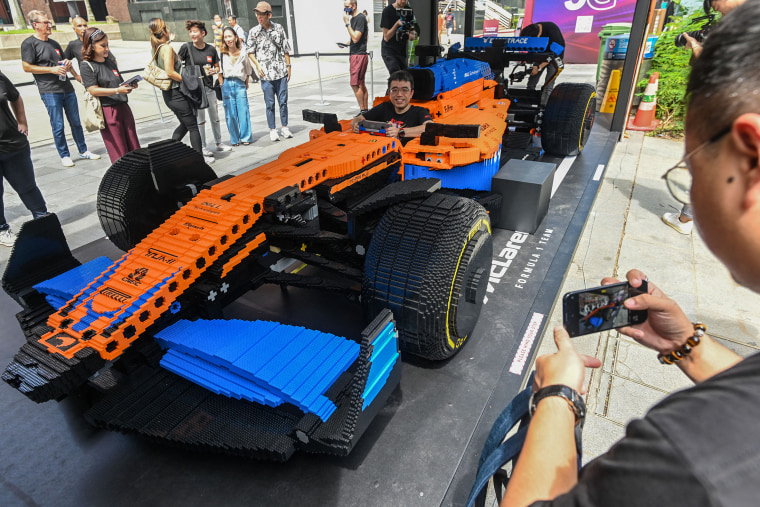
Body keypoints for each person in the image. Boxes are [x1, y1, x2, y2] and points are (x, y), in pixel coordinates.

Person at [500, 3, 760, 506]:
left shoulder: (688, 457)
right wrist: (688, 344)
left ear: (748, 156)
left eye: (688, 164)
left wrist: (558, 397)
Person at [663, 0, 745, 234]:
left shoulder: (747, 24)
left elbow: (721, 73)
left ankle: (686, 220)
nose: (712, 6)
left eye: (713, 2)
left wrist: (698, 49)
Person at [21, 10, 100, 168]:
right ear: (36, 25)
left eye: (49, 22)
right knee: (58, 124)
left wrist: (71, 69)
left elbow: (62, 61)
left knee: (76, 122)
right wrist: (52, 70)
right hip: (49, 90)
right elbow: (26, 66)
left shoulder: (54, 43)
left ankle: (83, 150)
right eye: (46, 22)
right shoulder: (29, 44)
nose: (49, 25)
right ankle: (64, 155)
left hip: (66, 88)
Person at [147, 18, 212, 164]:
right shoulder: (166, 48)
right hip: (177, 93)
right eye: (167, 28)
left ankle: (166, 153)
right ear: (164, 31)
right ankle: (199, 161)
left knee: (185, 124)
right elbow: (170, 71)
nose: (169, 29)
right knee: (193, 127)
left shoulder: (156, 47)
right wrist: (187, 80)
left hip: (169, 94)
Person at [0, 70, 48, 247]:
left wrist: (22, 121)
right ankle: (2, 229)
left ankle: (42, 218)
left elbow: (15, 96)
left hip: (14, 144)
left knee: (27, 186)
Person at [79, 27, 141, 164]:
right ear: (91, 46)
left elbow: (119, 83)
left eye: (107, 45)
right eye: (102, 46)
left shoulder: (110, 62)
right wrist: (117, 91)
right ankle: (125, 180)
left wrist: (128, 86)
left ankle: (140, 176)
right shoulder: (87, 65)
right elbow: (93, 90)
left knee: (134, 146)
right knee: (119, 150)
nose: (106, 48)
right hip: (108, 111)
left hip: (123, 107)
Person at [178, 20, 232, 160]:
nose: (192, 34)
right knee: (200, 120)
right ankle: (203, 146)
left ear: (203, 33)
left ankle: (219, 142)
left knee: (215, 117)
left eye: (195, 31)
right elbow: (177, 64)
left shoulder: (211, 50)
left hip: (209, 87)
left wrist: (215, 70)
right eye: (191, 32)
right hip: (195, 90)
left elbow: (218, 67)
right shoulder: (186, 48)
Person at [247, 1, 293, 142]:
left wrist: (289, 66)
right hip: (265, 74)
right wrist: (257, 66)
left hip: (280, 71)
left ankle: (284, 127)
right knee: (270, 103)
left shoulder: (278, 28)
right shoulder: (254, 32)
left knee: (283, 101)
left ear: (269, 15)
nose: (259, 17)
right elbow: (250, 52)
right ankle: (272, 129)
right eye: (257, 14)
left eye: (262, 14)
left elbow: (285, 48)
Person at [350, 70, 432, 146]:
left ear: (411, 93)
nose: (399, 94)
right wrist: (356, 125)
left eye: (405, 90)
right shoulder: (384, 107)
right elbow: (358, 119)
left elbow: (430, 127)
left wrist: (399, 132)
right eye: (395, 90)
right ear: (389, 93)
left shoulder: (420, 112)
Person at [219, 26, 254, 146]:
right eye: (225, 37)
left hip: (240, 84)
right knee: (230, 114)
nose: (228, 39)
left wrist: (246, 81)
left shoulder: (243, 53)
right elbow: (219, 71)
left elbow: (248, 69)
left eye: (230, 36)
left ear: (235, 37)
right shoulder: (222, 54)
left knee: (243, 111)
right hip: (227, 84)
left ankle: (246, 137)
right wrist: (222, 85)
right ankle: (234, 139)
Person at [520, 22, 565, 105]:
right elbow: (532, 50)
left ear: (538, 35)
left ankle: (544, 109)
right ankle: (527, 104)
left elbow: (555, 53)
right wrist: (534, 65)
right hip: (540, 56)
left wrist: (539, 67)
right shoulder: (531, 30)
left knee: (548, 86)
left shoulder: (552, 30)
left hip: (555, 58)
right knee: (531, 83)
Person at [343, 0, 369, 115]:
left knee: (354, 83)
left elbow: (356, 38)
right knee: (360, 83)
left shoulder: (359, 18)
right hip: (357, 52)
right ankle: (365, 110)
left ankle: (363, 110)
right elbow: (356, 39)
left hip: (358, 55)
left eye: (347, 7)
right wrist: (348, 44)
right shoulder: (355, 18)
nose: (345, 9)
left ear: (353, 6)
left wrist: (347, 24)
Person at [381, 0, 417, 75]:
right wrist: (396, 24)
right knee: (396, 74)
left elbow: (413, 33)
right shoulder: (387, 11)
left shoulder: (408, 11)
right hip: (389, 50)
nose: (403, 1)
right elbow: (386, 37)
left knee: (404, 76)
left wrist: (411, 35)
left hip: (401, 50)